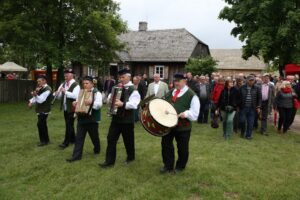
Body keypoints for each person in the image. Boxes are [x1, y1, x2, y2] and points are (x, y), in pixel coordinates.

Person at [100, 69, 141, 168]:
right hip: (116, 119)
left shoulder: (133, 90)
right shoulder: (116, 87)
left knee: (128, 140)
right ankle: (109, 162)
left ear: (128, 77)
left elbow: (135, 104)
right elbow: (110, 97)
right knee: (111, 138)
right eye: (120, 77)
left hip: (127, 120)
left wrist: (123, 104)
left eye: (123, 77)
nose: (121, 79)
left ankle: (130, 157)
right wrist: (110, 100)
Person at [160, 73, 200, 174]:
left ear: (185, 81)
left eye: (179, 81)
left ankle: (180, 167)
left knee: (182, 148)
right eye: (175, 81)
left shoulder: (192, 95)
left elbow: (195, 113)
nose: (176, 83)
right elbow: (164, 104)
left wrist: (186, 113)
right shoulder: (171, 92)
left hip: (183, 127)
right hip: (168, 125)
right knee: (166, 145)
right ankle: (168, 165)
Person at [66, 76, 102, 162]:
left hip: (92, 119)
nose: (85, 85)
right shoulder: (81, 92)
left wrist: (91, 102)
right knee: (79, 137)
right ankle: (76, 156)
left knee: (94, 137)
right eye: (84, 83)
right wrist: (75, 103)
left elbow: (99, 105)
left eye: (87, 83)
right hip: (82, 118)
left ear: (92, 84)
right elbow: (79, 102)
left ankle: (97, 149)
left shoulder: (97, 93)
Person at [53, 69, 80, 149]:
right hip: (65, 108)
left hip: (72, 108)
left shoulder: (76, 85)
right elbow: (59, 96)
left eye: (67, 75)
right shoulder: (63, 84)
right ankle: (73, 139)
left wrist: (65, 92)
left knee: (69, 125)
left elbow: (76, 96)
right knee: (69, 124)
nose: (65, 76)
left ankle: (66, 142)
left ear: (72, 75)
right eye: (65, 75)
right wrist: (56, 94)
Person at [28, 75, 52, 146]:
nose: (38, 83)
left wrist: (35, 95)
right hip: (40, 109)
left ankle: (43, 141)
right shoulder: (40, 88)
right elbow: (36, 97)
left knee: (40, 124)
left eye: (40, 81)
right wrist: (31, 102)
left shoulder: (48, 89)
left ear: (44, 81)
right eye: (37, 81)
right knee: (43, 124)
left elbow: (41, 100)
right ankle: (46, 140)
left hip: (44, 109)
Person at [239, 75, 262, 140]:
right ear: (247, 81)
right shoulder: (242, 87)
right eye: (250, 80)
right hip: (243, 107)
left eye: (253, 80)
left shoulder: (257, 88)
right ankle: (242, 132)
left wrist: (259, 106)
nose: (252, 82)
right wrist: (238, 106)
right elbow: (239, 97)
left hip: (252, 108)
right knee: (242, 121)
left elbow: (259, 98)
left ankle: (248, 135)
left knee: (251, 122)